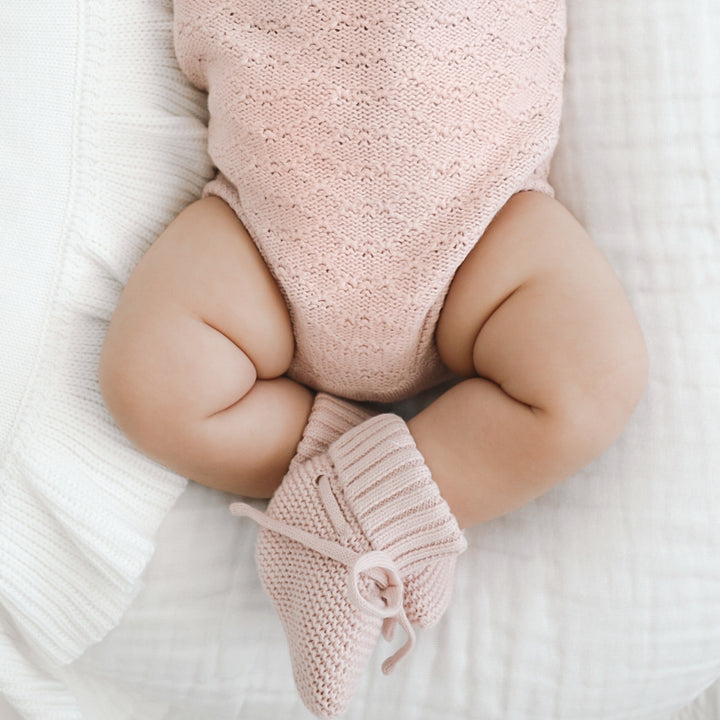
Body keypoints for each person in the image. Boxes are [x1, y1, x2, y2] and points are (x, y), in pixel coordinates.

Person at [99, 1, 648, 716]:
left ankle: (343, 524)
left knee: (590, 378)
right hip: (262, 237)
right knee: (152, 385)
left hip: (482, 234)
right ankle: (370, 487)